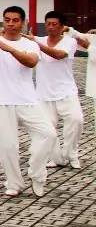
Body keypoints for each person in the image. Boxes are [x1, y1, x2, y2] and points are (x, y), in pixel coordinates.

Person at [0, 6, 56, 198]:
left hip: (26, 99)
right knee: (7, 146)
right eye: (7, 20)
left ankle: (37, 172)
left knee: (48, 134)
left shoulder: (30, 44)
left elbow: (31, 62)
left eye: (15, 20)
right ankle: (14, 183)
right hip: (0, 100)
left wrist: (9, 48)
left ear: (22, 22)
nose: (10, 24)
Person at [32, 11, 82, 171]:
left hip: (66, 91)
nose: (51, 27)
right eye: (48, 24)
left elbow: (59, 55)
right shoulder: (37, 41)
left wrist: (36, 43)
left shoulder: (69, 42)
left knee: (76, 120)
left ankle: (71, 153)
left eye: (54, 24)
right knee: (48, 129)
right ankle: (56, 158)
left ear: (62, 27)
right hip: (44, 93)